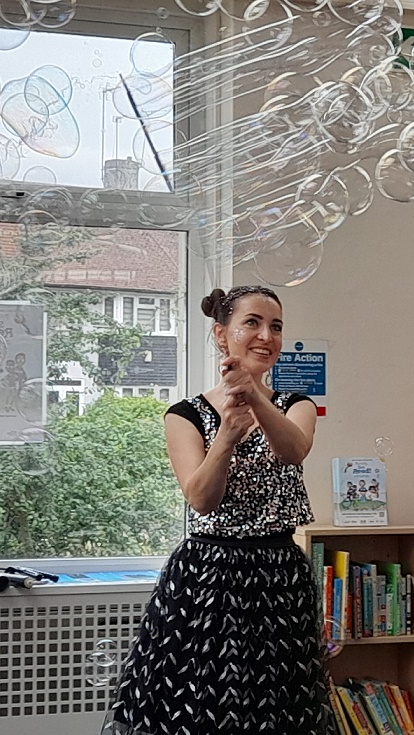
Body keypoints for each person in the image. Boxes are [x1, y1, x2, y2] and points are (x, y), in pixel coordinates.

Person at [103, 285, 334, 735]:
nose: (266, 335)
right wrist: (227, 433)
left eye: (277, 326)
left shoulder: (296, 404)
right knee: (194, 706)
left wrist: (255, 398)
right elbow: (201, 498)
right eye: (252, 322)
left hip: (278, 577)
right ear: (221, 335)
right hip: (207, 578)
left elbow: (293, 450)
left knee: (278, 708)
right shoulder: (184, 414)